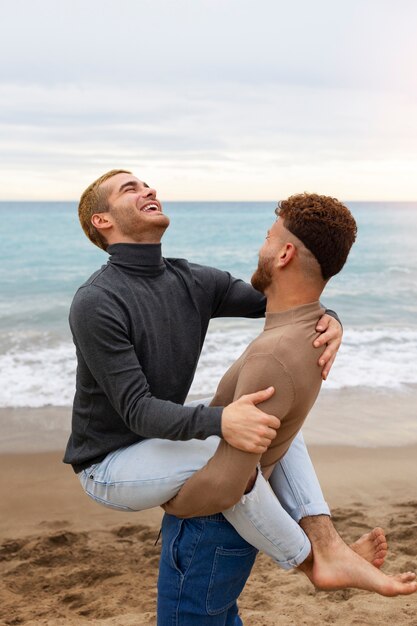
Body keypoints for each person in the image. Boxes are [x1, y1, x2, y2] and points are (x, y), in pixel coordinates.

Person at [157, 193, 416, 625]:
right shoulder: (311, 331)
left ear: (285, 253)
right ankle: (329, 553)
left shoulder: (272, 355)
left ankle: (325, 559)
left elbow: (230, 483)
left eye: (267, 236)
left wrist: (164, 499)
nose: (260, 246)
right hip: (229, 535)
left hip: (205, 531)